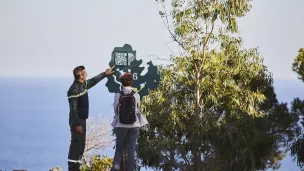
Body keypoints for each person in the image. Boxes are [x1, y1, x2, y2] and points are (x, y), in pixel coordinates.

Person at [67, 65, 113, 171]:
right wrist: (77, 124)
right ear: (81, 76)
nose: (87, 74)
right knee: (76, 145)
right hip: (77, 122)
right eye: (85, 72)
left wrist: (105, 74)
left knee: (81, 146)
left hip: (82, 120)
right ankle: (72, 168)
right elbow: (73, 109)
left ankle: (76, 167)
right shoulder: (74, 90)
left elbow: (93, 81)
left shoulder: (83, 85)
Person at [111, 72, 148, 171]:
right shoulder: (136, 94)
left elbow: (115, 109)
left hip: (121, 124)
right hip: (134, 124)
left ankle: (114, 170)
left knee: (119, 149)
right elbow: (138, 108)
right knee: (131, 150)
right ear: (131, 82)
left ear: (121, 83)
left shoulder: (118, 95)